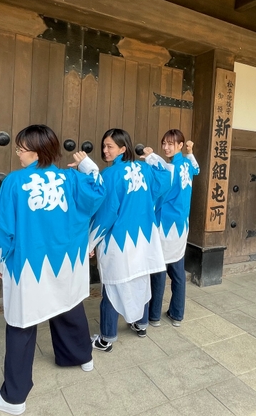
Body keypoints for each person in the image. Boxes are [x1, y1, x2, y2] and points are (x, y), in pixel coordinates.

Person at [0, 124, 105, 415]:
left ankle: (14, 398)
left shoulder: (14, 182)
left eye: (21, 148)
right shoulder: (71, 178)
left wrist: (1, 261)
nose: (17, 153)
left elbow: (3, 226)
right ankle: (82, 357)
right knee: (68, 305)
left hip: (28, 265)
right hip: (66, 262)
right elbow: (98, 192)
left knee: (22, 321)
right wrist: (87, 165)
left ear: (35, 151)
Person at [89, 128, 171, 352]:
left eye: (110, 146)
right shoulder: (146, 169)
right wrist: (152, 157)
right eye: (104, 146)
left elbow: (106, 214)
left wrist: (90, 242)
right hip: (144, 240)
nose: (105, 150)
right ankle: (141, 324)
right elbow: (166, 177)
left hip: (119, 242)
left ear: (123, 149)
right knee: (140, 281)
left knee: (113, 287)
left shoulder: (110, 175)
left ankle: (106, 338)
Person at [134, 129, 199, 330]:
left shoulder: (170, 168)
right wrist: (190, 151)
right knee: (178, 271)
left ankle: (154, 315)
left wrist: (150, 156)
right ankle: (177, 314)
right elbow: (196, 168)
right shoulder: (187, 164)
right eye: (164, 143)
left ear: (179, 145)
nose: (166, 147)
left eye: (171, 144)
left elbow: (161, 173)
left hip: (165, 225)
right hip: (181, 225)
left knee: (159, 271)